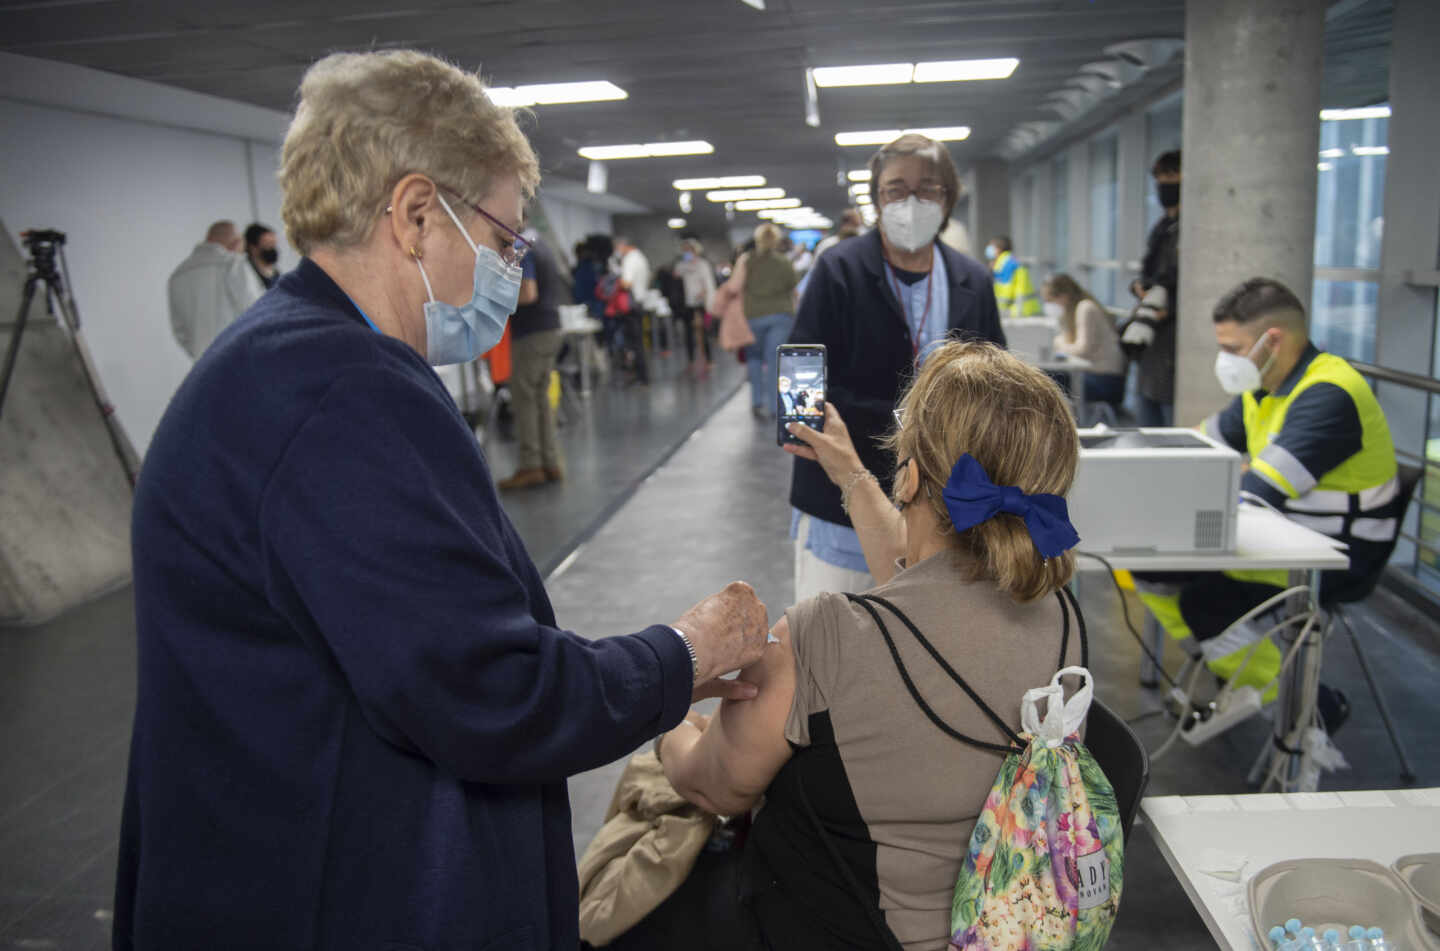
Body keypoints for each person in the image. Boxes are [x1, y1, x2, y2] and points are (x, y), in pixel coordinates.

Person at [114, 50, 771, 951]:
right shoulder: (342, 393)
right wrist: (678, 656)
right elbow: (488, 690)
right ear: (418, 214)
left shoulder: (278, 357)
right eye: (505, 240)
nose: (511, 269)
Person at [615, 342, 1086, 950]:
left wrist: (672, 716)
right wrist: (850, 473)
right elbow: (926, 596)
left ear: (910, 476)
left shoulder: (823, 640)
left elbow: (715, 788)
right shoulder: (1065, 624)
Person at [1134, 277, 1399, 726]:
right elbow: (1196, 449)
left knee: (1205, 602)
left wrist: (1235, 477)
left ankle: (1305, 702)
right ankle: (1246, 676)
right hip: (1279, 534)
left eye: (1233, 348)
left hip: (1332, 555)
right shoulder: (1264, 386)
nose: (1226, 360)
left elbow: (1257, 491)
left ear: (1271, 340)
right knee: (1147, 566)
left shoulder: (1330, 393)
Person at [787, 132, 1005, 602]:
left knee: (927, 643)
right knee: (840, 645)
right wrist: (806, 432)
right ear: (877, 199)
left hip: (947, 505)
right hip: (843, 499)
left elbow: (997, 385)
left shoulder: (973, 281)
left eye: (927, 188)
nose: (911, 200)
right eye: (896, 189)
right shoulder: (838, 270)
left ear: (947, 199)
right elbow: (800, 384)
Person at [498, 232, 566, 490]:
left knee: (524, 399)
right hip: (550, 329)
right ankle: (549, 462)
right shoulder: (543, 245)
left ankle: (530, 466)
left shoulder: (521, 248)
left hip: (531, 333)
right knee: (540, 398)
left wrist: (496, 300)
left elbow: (528, 293)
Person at [1124, 149, 1182, 426]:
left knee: (1169, 425)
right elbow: (1149, 271)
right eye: (1159, 178)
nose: (1164, 184)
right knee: (1145, 419)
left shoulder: (1190, 229)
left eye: (1170, 176)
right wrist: (1138, 287)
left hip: (1172, 342)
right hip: (1149, 342)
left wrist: (1166, 309)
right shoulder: (1161, 228)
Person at [167, 219, 262, 360]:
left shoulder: (178, 275)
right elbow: (257, 312)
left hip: (205, 366)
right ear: (236, 243)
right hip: (242, 361)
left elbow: (180, 332)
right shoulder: (233, 264)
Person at [1043, 272, 1127, 413]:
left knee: (1045, 380)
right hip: (1096, 376)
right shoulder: (1073, 313)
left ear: (1064, 296)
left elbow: (1083, 349)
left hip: (1106, 382)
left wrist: (1059, 344)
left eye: (1051, 300)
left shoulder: (1085, 308)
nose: (1050, 306)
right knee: (1047, 377)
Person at [739, 223, 798, 418]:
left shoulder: (747, 261)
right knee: (775, 362)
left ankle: (756, 402)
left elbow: (737, 286)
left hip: (753, 316)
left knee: (754, 359)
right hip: (780, 315)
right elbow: (793, 288)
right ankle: (775, 407)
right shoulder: (784, 262)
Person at [673, 237, 718, 377]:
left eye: (689, 250)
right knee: (688, 333)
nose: (687, 253)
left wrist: (704, 295)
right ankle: (691, 360)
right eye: (685, 250)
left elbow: (708, 283)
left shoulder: (703, 265)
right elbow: (676, 277)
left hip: (700, 303)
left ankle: (709, 358)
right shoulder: (681, 266)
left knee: (703, 332)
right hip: (687, 304)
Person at [615, 235, 652, 384]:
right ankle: (641, 375)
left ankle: (641, 376)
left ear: (623, 246)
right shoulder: (641, 258)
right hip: (639, 302)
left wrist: (616, 280)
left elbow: (626, 283)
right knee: (638, 342)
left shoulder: (629, 260)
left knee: (634, 343)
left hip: (631, 306)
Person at [985, 235, 1042, 318]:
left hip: (1020, 310)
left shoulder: (1004, 263)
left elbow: (1006, 291)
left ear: (998, 249)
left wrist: (995, 308)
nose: (988, 249)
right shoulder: (1008, 260)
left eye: (991, 246)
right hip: (1026, 308)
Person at [244, 222, 282, 289]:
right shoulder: (246, 273)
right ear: (253, 248)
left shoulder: (276, 274)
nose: (273, 248)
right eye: (268, 244)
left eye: (274, 244)